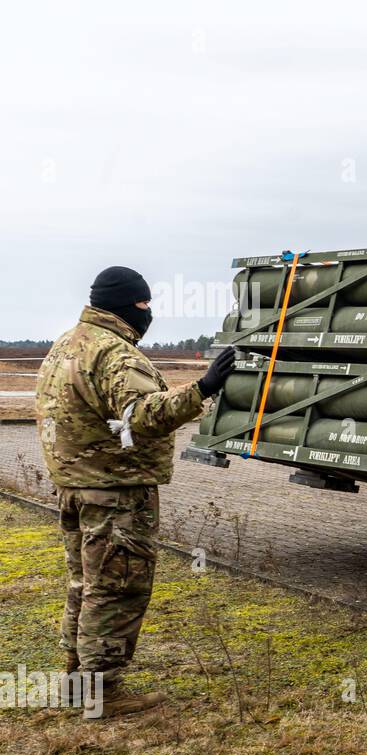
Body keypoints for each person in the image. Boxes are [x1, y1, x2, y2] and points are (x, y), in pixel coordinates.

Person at [35, 266, 237, 718]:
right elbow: (142, 416)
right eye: (145, 305)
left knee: (85, 585)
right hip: (116, 492)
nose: (149, 313)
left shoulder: (68, 342)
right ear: (130, 304)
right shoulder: (116, 354)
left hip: (76, 486)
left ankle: (76, 682)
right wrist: (204, 387)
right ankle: (103, 693)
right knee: (116, 586)